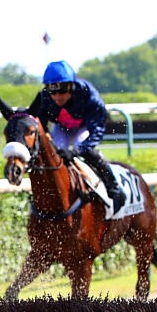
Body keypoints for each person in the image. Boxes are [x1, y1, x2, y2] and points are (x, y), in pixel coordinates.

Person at [29, 59, 126, 211]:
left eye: (62, 90)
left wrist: (77, 151)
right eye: (53, 91)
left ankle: (113, 187)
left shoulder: (89, 96)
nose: (57, 96)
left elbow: (97, 131)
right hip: (62, 127)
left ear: (72, 86)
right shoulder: (45, 98)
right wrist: (48, 139)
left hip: (84, 126)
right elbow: (40, 124)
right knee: (55, 153)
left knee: (83, 147)